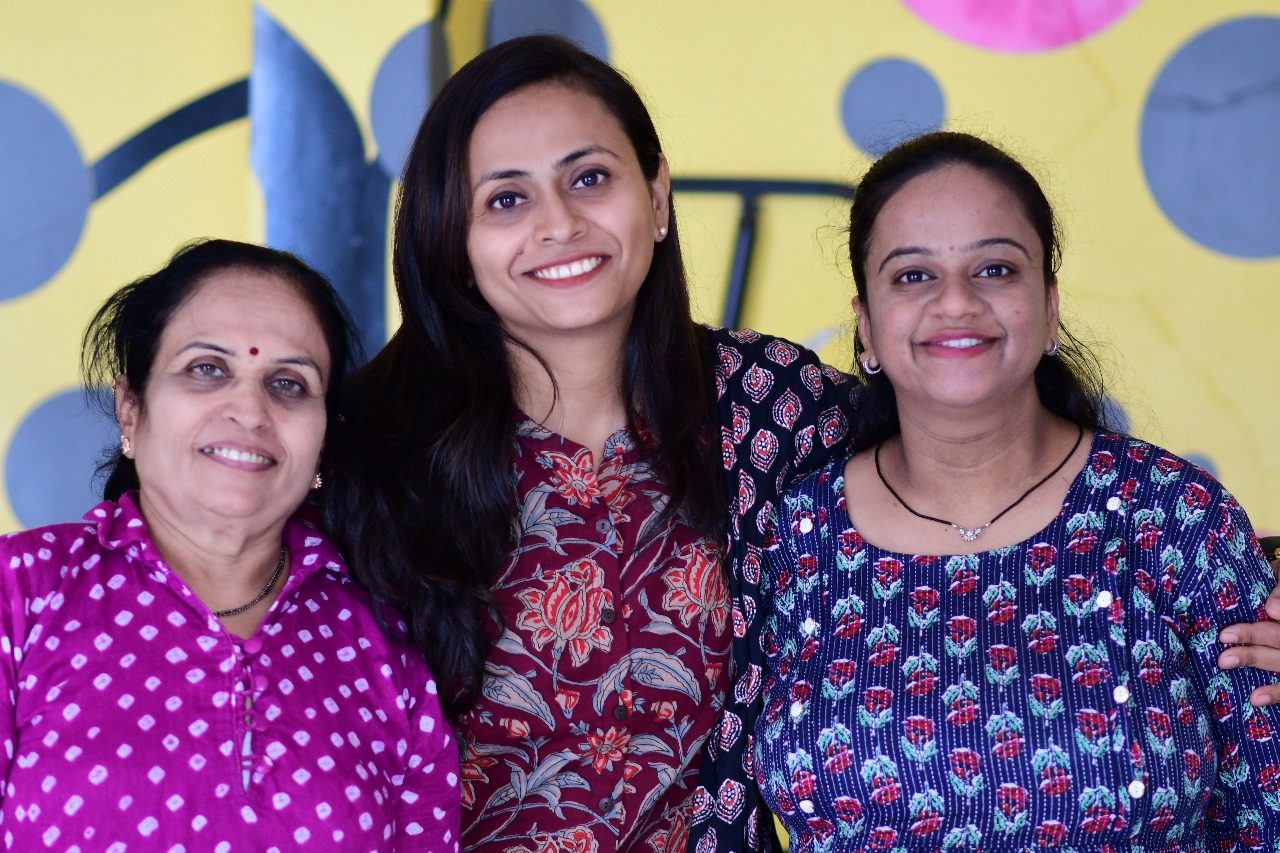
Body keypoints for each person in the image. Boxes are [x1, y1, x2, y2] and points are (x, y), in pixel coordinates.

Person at [324, 36, 857, 851]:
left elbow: (958, 466)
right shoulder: (366, 453)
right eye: (507, 199)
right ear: (452, 241)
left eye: (589, 178)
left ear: (658, 195)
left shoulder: (769, 406)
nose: (560, 223)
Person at [733, 131, 1280, 850]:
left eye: (994, 269)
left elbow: (1268, 814)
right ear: (865, 326)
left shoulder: (1174, 520)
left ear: (1050, 307)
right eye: (912, 276)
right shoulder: (792, 536)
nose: (956, 302)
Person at [0, 240, 460, 849]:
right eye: (207, 369)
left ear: (323, 441)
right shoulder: (22, 590)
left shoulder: (381, 644)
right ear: (131, 409)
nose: (250, 409)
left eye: (289, 384)